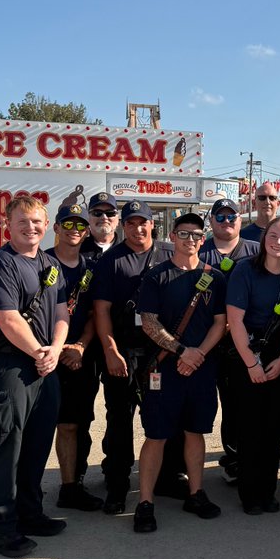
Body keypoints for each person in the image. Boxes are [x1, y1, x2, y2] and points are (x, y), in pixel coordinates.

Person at [0, 195, 68, 558]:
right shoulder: (0, 264)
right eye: (23, 222)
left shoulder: (50, 264)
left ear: (46, 226)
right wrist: (39, 352)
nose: (31, 228)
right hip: (10, 367)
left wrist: (56, 350)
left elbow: (62, 312)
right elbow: (7, 318)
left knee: (36, 446)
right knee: (6, 447)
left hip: (45, 366)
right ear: (8, 224)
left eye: (36, 222)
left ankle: (30, 514)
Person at [132, 213, 228, 531]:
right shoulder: (157, 276)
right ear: (172, 236)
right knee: (156, 435)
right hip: (165, 368)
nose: (191, 241)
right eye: (184, 234)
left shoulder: (215, 277)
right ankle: (145, 502)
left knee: (195, 432)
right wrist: (182, 351)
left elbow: (220, 323)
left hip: (201, 368)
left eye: (197, 235)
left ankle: (196, 493)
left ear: (204, 240)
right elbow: (149, 321)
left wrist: (198, 353)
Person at [91, 200, 173, 515]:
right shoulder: (111, 261)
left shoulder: (168, 254)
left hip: (160, 355)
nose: (138, 229)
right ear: (123, 226)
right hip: (123, 354)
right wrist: (110, 351)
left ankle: (166, 476)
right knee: (119, 421)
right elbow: (101, 311)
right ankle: (117, 483)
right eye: (131, 223)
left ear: (153, 224)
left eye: (143, 222)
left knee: (162, 417)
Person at [226, 218, 280, 513]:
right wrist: (251, 364)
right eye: (273, 236)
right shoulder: (245, 270)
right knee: (250, 428)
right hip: (247, 351)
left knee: (275, 427)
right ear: (263, 239)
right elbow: (234, 321)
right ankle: (250, 493)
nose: (278, 242)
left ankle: (268, 490)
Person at [199, 198, 264, 485]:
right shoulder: (200, 252)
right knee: (210, 404)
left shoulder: (256, 251)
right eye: (220, 217)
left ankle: (241, 458)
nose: (226, 222)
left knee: (243, 404)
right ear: (211, 221)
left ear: (240, 220)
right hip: (207, 342)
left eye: (232, 217)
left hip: (244, 342)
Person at [46, 204, 103, 512]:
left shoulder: (90, 268)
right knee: (37, 425)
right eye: (68, 225)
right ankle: (21, 491)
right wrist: (55, 348)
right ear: (55, 228)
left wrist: (79, 346)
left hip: (80, 356)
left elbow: (96, 313)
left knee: (74, 423)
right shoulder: (40, 263)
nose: (75, 231)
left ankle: (70, 487)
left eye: (81, 226)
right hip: (43, 356)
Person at [68, 192, 122, 493]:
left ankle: (114, 471)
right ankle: (74, 477)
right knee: (79, 414)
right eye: (97, 213)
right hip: (82, 348)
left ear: (117, 219)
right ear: (89, 219)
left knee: (118, 412)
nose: (104, 218)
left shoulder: (130, 250)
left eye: (109, 213)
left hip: (118, 344)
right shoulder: (76, 251)